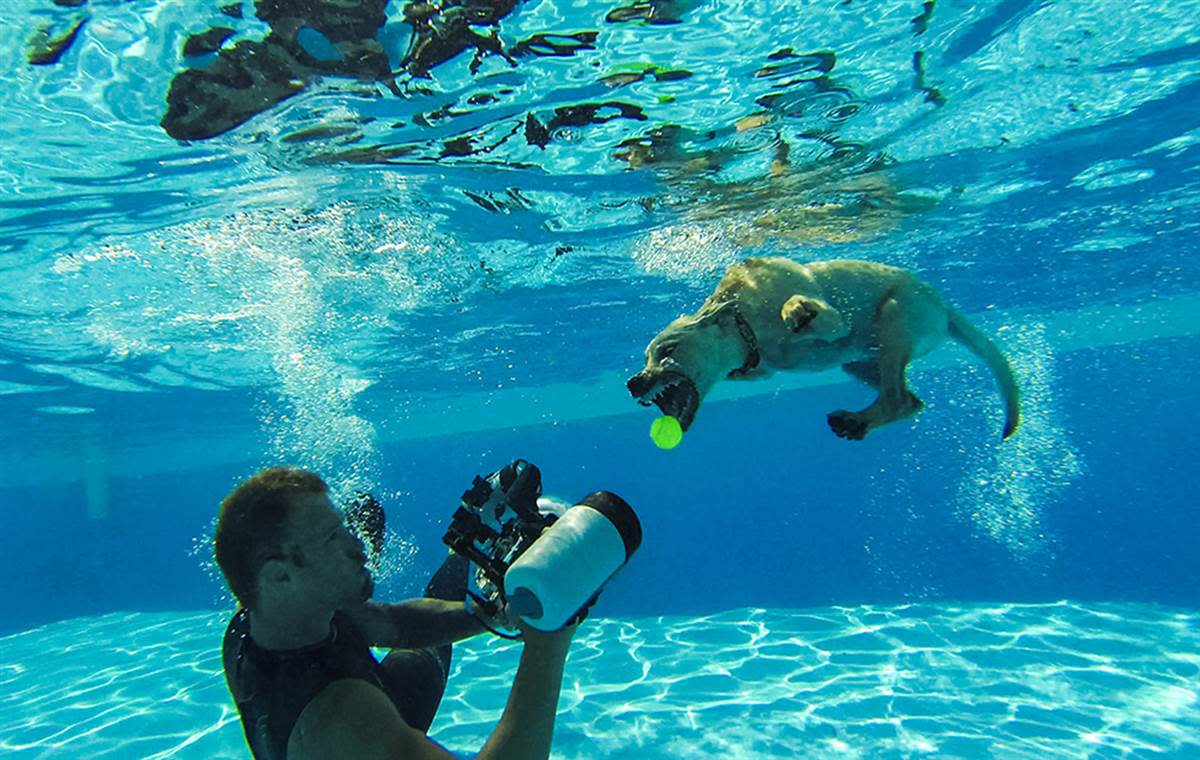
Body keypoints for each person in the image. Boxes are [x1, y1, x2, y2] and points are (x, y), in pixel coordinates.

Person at [214, 463, 576, 760]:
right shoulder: (343, 722)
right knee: (421, 663)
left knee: (413, 639)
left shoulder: (273, 612)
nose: (357, 546)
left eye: (345, 529)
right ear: (280, 576)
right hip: (373, 729)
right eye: (333, 538)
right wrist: (548, 641)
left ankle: (462, 555)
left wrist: (489, 616)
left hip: (367, 694)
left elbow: (392, 623)